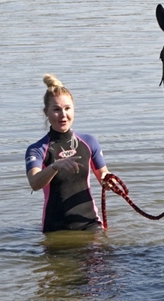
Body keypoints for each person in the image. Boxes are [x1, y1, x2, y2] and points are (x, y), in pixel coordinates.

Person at [25, 74, 110, 232]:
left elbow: (103, 177)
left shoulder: (89, 142)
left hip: (91, 226)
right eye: (56, 109)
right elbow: (35, 183)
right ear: (46, 112)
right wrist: (54, 167)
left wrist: (109, 181)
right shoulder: (37, 149)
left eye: (67, 108)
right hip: (55, 231)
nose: (63, 115)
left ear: (73, 109)